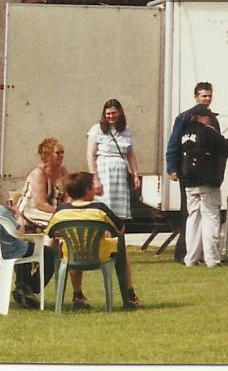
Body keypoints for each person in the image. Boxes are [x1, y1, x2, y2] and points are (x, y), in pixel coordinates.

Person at [46, 170, 141, 310]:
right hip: (99, 254)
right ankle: (130, 295)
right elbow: (120, 229)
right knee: (122, 252)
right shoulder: (100, 209)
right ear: (88, 190)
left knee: (72, 246)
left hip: (71, 255)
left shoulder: (61, 210)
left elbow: (51, 233)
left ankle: (77, 295)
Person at [177, 104, 228, 268]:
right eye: (209, 116)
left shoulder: (184, 134)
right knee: (211, 218)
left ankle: (191, 258)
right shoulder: (207, 131)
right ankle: (212, 259)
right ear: (200, 117)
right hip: (208, 182)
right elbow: (223, 146)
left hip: (190, 183)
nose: (211, 119)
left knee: (193, 219)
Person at [0, 175, 48, 309]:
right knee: (47, 252)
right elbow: (20, 233)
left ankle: (24, 287)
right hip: (10, 250)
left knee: (27, 250)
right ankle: (30, 287)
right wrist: (18, 215)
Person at [166, 81, 216, 263]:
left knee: (206, 214)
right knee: (188, 213)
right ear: (196, 97)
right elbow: (174, 143)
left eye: (209, 96)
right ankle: (183, 253)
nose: (206, 99)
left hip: (207, 173)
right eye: (203, 96)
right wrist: (171, 168)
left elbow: (217, 142)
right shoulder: (184, 118)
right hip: (187, 171)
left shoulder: (212, 118)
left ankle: (201, 253)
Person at [88, 99, 141, 225]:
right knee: (104, 208)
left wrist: (135, 174)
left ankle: (119, 238)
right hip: (104, 173)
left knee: (119, 213)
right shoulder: (96, 129)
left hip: (120, 174)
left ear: (119, 113)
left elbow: (131, 155)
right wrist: (95, 178)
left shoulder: (126, 131)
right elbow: (90, 155)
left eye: (114, 113)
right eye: (108, 114)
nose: (111, 116)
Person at [17, 137, 69, 233]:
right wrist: (61, 213)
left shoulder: (63, 171)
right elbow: (40, 204)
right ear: (47, 155)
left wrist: (68, 210)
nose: (61, 155)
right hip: (32, 211)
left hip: (53, 211)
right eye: (58, 153)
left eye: (63, 152)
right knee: (59, 224)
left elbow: (68, 196)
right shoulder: (39, 173)